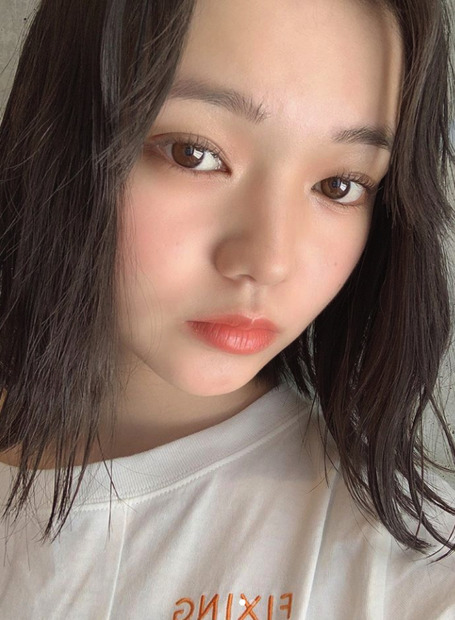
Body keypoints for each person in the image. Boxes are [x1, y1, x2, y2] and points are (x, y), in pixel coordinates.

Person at [0, 0, 454, 617]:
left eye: (339, 185)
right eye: (193, 154)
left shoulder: (416, 576)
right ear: (59, 130)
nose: (267, 261)